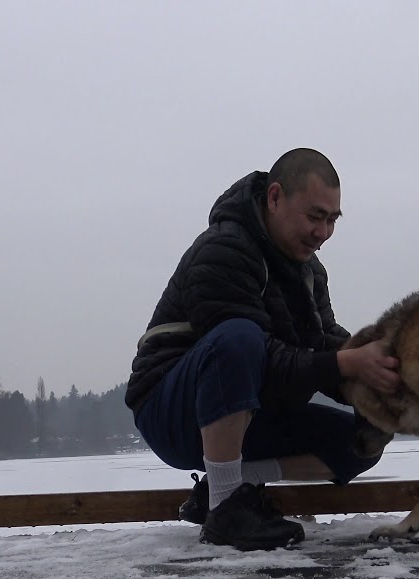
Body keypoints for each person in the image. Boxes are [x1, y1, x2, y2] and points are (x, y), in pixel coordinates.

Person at [124, 148, 401, 551]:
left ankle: (233, 485)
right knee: (239, 337)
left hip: (251, 410)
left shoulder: (309, 271)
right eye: (314, 216)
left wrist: (377, 375)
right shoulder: (222, 251)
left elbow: (321, 342)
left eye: (332, 219)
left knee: (361, 443)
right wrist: (347, 363)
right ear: (274, 198)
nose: (323, 232)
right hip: (172, 412)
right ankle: (225, 511)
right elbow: (260, 360)